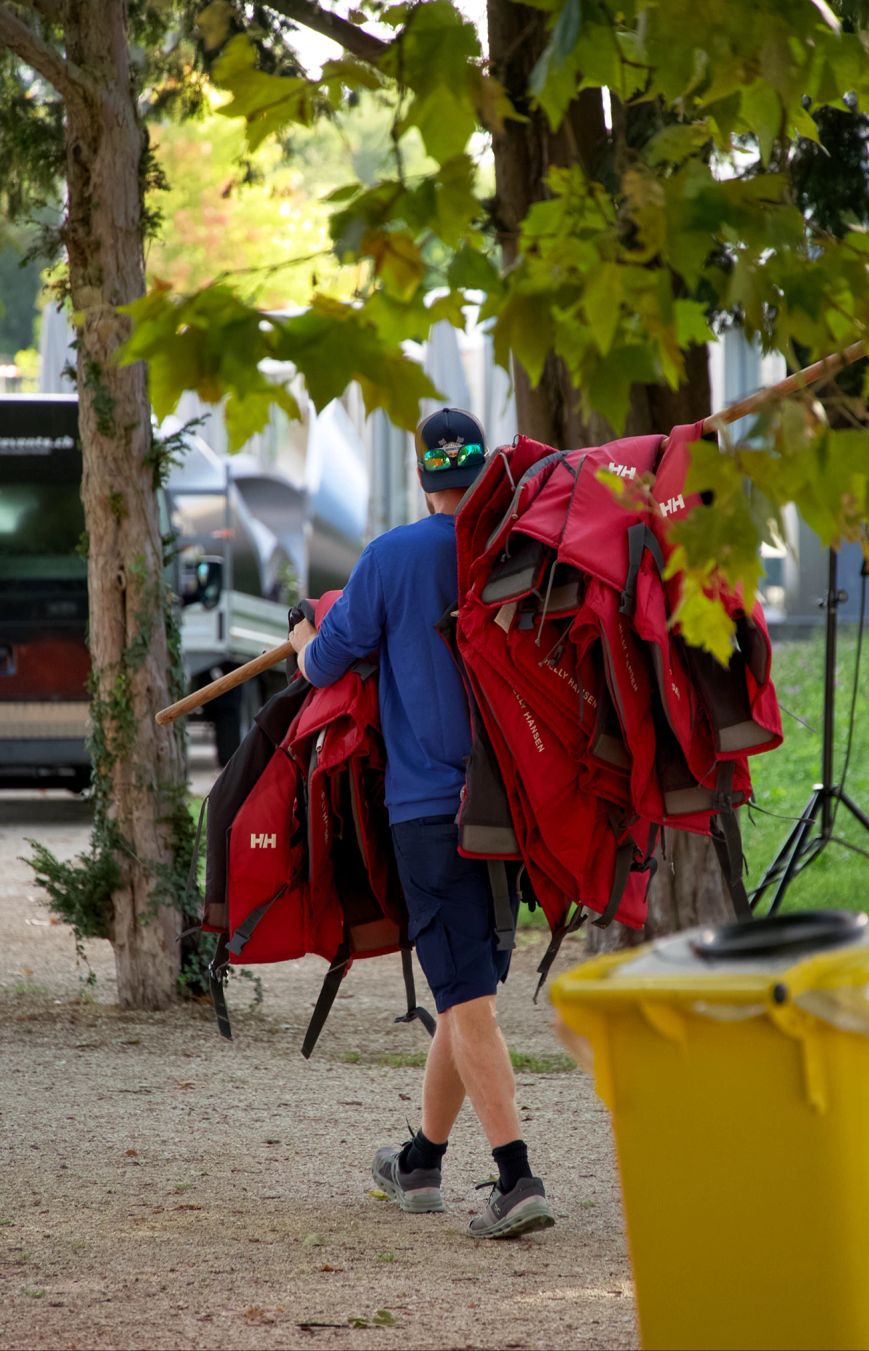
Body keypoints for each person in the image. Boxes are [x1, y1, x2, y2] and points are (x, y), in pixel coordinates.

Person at [288, 407, 555, 1240]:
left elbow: (324, 663)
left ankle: (516, 1177)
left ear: (422, 477)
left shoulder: (390, 557)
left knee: (466, 996)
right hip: (514, 804)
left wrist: (303, 632)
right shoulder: (518, 547)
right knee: (464, 985)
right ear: (483, 472)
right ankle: (422, 1163)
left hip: (431, 811)